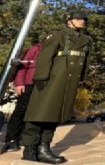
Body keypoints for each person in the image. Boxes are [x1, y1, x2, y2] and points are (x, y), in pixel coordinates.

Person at [21, 10, 93, 164]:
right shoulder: (58, 35)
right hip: (52, 78)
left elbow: (85, 61)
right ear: (69, 21)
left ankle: (44, 147)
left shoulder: (86, 39)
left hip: (69, 81)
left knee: (54, 115)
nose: (82, 21)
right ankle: (30, 148)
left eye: (84, 19)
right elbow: (45, 56)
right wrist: (41, 76)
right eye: (79, 19)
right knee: (39, 113)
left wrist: (82, 79)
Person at [3, 38, 42, 152]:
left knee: (33, 113)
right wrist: (19, 83)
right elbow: (22, 67)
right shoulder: (36, 48)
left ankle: (24, 138)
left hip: (42, 86)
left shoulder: (56, 50)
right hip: (29, 83)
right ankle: (11, 140)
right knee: (21, 111)